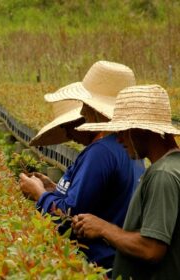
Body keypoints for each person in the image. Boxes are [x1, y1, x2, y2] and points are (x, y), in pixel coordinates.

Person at [19, 61, 145, 270]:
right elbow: (94, 199)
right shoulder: (127, 147)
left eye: (86, 106)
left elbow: (69, 216)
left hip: (98, 263)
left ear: (97, 111)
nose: (83, 112)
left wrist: (39, 194)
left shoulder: (101, 152)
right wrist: (54, 188)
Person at [71, 84, 180, 279]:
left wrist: (102, 228)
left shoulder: (163, 175)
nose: (118, 139)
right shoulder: (172, 167)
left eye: (122, 130)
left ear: (142, 130)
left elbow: (151, 249)